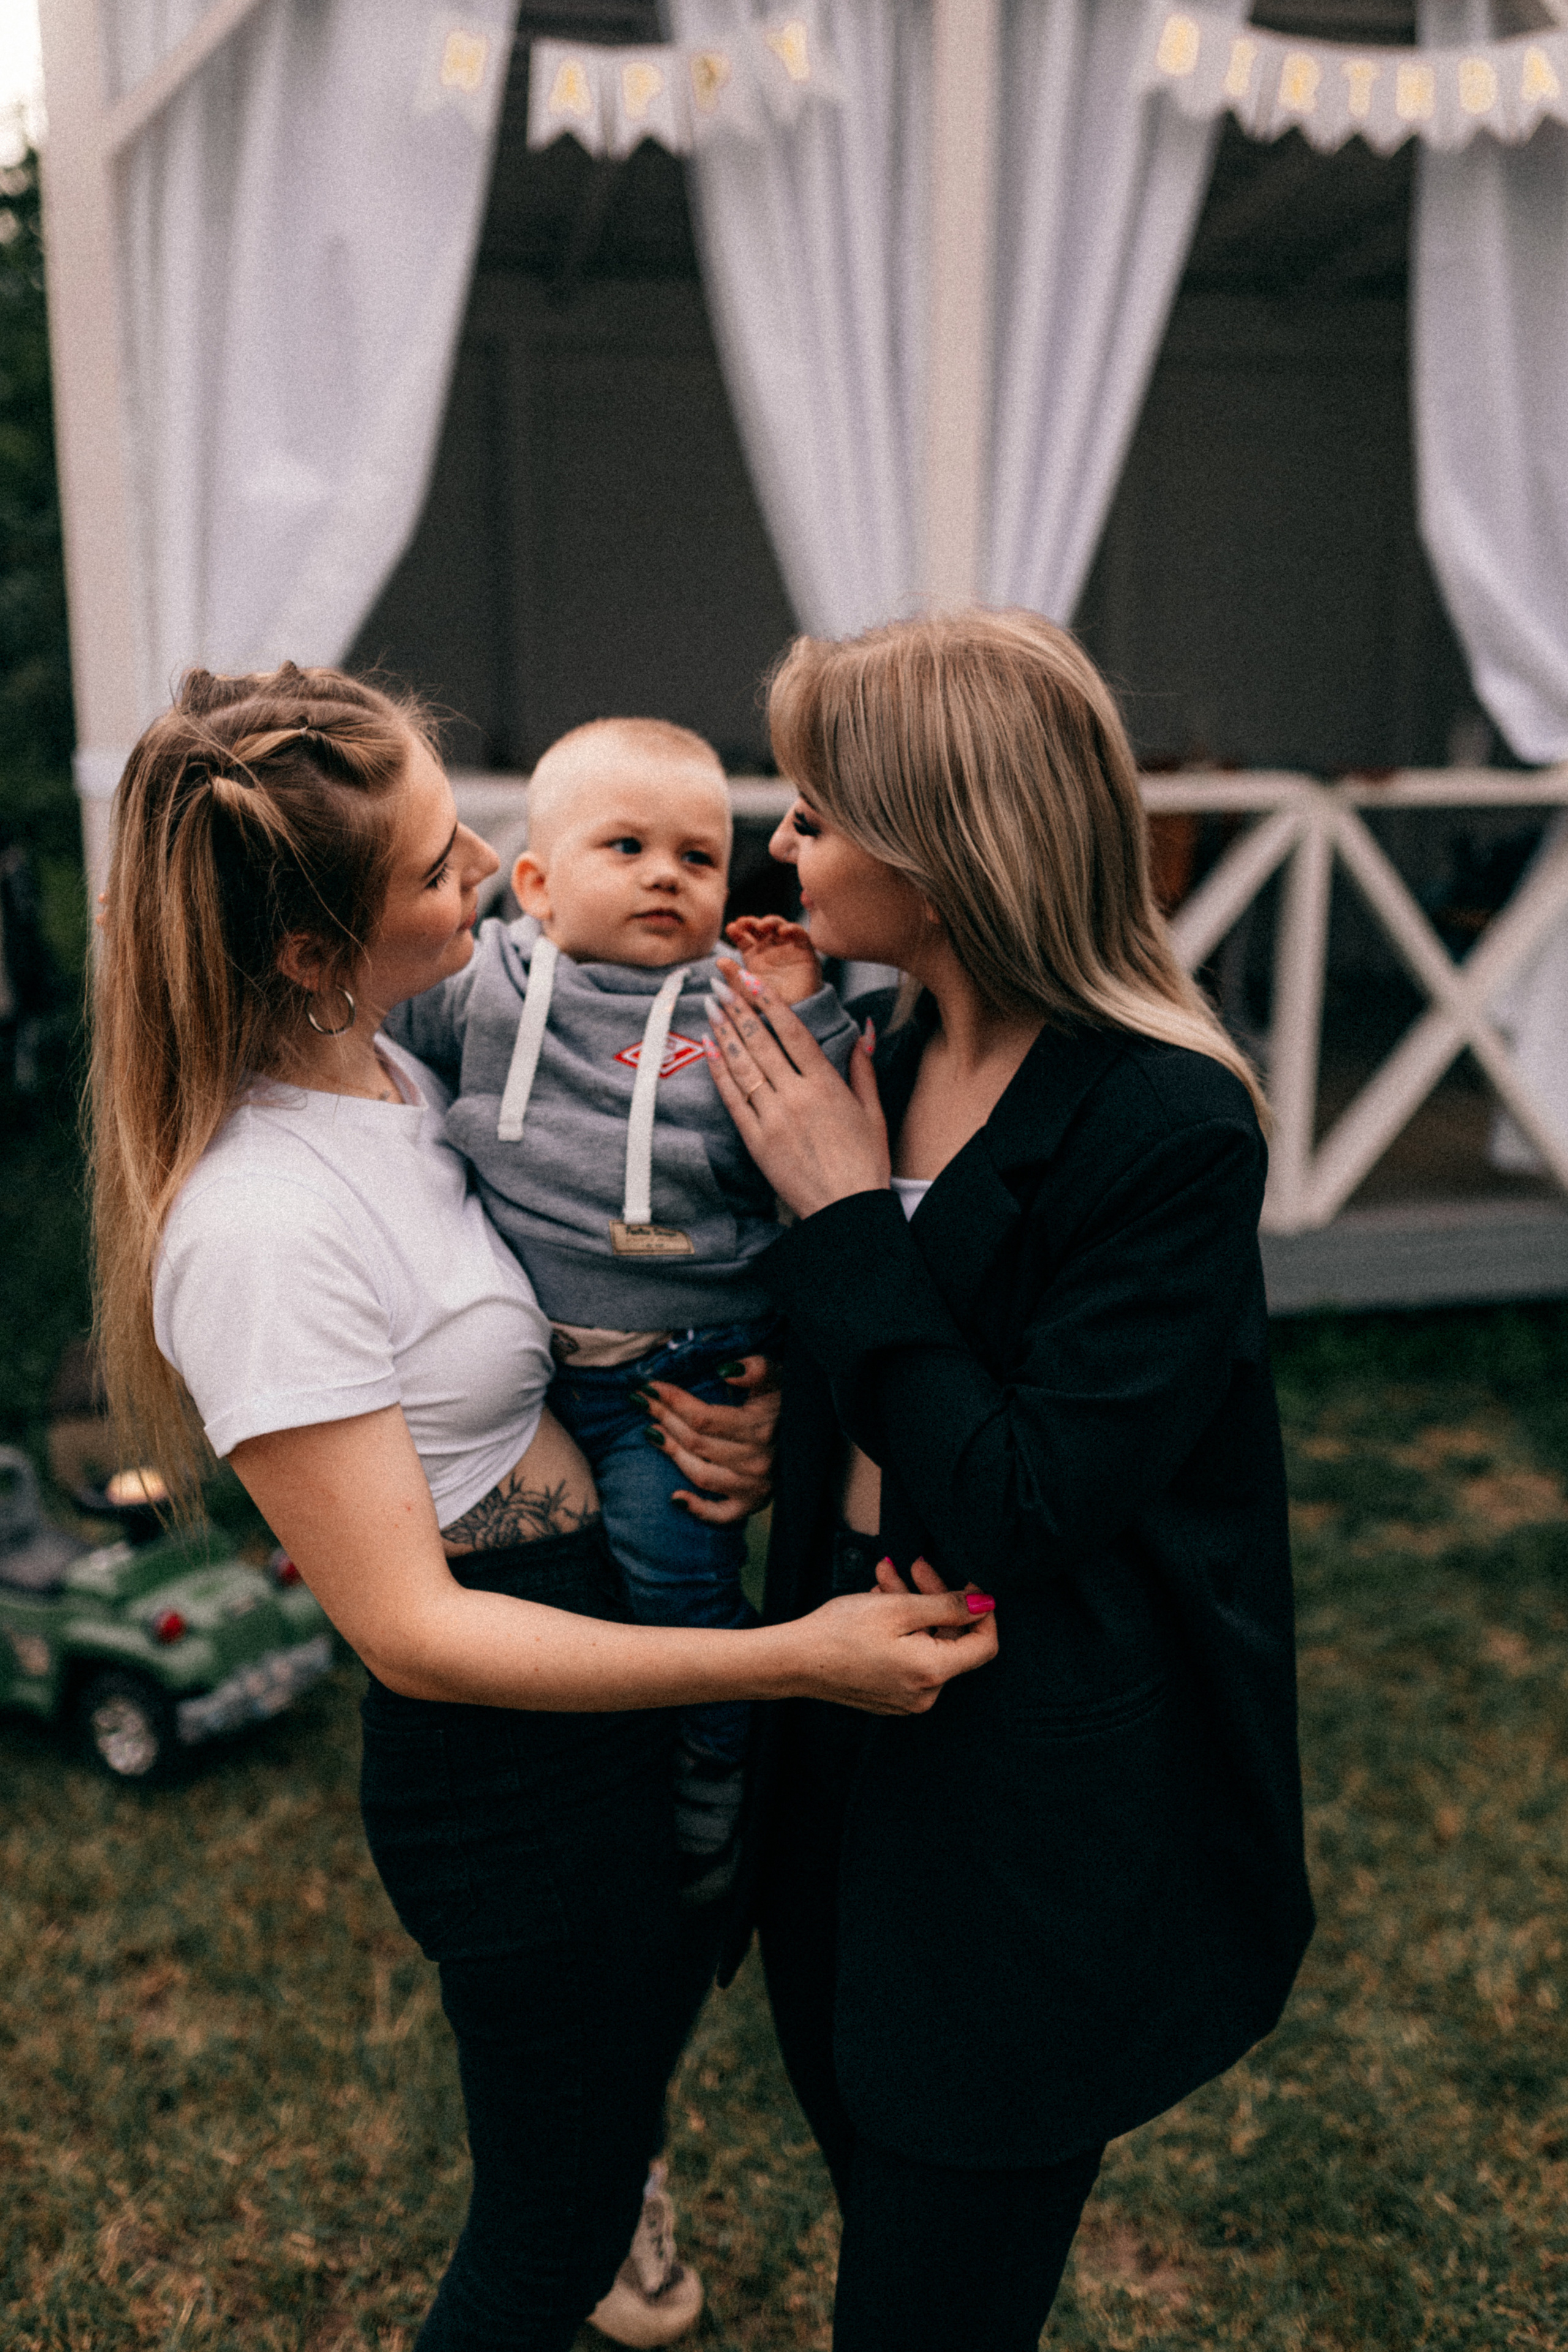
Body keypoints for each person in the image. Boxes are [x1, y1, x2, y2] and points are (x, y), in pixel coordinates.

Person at [87, 661, 998, 2352]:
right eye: (439, 870)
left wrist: (757, 1413)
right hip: (507, 1773)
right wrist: (791, 1654)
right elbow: (416, 1635)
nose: (491, 877)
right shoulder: (260, 1225)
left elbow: (594, 1281)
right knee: (542, 2237)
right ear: (304, 952)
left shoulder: (400, 1087)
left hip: (606, 1685)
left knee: (613, 2105)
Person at [696, 609, 1316, 2352]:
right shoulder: (876, 1048)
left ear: (949, 856)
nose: (781, 843)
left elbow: (1029, 1497)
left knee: (930, 2307)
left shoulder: (1166, 1130)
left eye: (817, 811)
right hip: (839, 1751)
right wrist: (774, 1431)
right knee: (866, 2170)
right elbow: (867, 1373)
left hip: (1033, 1815)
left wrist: (844, 1209)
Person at [386, 714, 856, 1901]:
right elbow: (367, 1016)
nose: (667, 875)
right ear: (535, 883)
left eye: (699, 859)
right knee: (536, 1596)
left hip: (679, 1370)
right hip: (533, 1365)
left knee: (669, 1578)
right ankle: (604, 1785)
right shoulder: (486, 984)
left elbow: (826, 1123)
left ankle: (715, 1775)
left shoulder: (732, 1005)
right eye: (628, 847)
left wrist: (802, 1004)